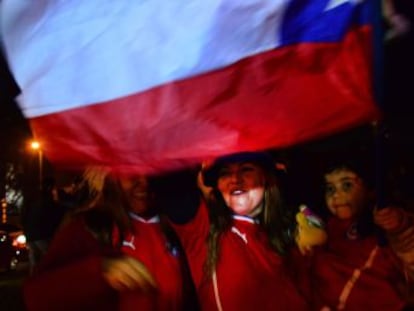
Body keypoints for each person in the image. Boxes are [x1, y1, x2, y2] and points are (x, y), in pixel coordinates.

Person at [23, 168, 198, 311]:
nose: (144, 182)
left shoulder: (181, 226)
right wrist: (100, 271)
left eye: (152, 172)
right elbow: (36, 296)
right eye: (132, 172)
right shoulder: (90, 227)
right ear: (112, 175)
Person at [161, 151, 311, 310]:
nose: (235, 179)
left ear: (266, 177)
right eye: (225, 173)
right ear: (217, 186)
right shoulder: (203, 228)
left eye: (246, 169)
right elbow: (168, 172)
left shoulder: (290, 232)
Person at [307, 156, 414, 310]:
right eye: (330, 188)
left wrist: (400, 226)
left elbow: (408, 250)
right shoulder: (327, 228)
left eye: (347, 185)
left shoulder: (385, 225)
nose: (335, 195)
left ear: (370, 190)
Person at [21, 177, 67, 274]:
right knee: (51, 260)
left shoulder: (33, 198)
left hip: (30, 235)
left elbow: (24, 215)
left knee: (34, 263)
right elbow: (57, 213)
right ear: (50, 187)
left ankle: (34, 283)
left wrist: (25, 231)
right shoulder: (48, 200)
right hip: (42, 235)